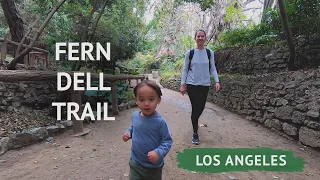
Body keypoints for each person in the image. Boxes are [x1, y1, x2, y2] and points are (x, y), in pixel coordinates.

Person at [123, 80, 173, 180]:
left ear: (158, 100)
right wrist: (128, 132)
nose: (146, 104)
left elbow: (167, 141)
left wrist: (158, 153)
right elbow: (133, 127)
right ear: (136, 100)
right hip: (136, 162)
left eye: (151, 99)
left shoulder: (160, 122)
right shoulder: (135, 116)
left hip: (153, 166)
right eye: (141, 100)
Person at [180, 29, 221, 145]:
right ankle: (195, 133)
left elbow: (212, 68)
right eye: (198, 36)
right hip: (192, 84)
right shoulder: (190, 53)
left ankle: (195, 120)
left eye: (202, 36)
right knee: (195, 107)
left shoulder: (209, 53)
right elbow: (185, 69)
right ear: (195, 38)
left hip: (205, 84)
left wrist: (217, 81)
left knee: (201, 107)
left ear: (205, 38)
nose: (200, 38)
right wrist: (182, 84)